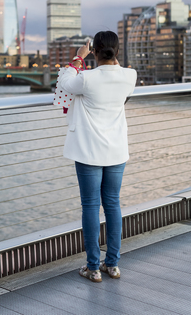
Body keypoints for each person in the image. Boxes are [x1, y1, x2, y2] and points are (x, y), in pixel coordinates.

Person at [60, 30, 137, 283]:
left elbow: (65, 82)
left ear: (94, 51)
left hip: (89, 151)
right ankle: (112, 265)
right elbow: (118, 76)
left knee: (91, 206)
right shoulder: (130, 76)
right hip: (116, 150)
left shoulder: (87, 79)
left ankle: (93, 267)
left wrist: (78, 57)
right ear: (117, 51)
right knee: (113, 204)